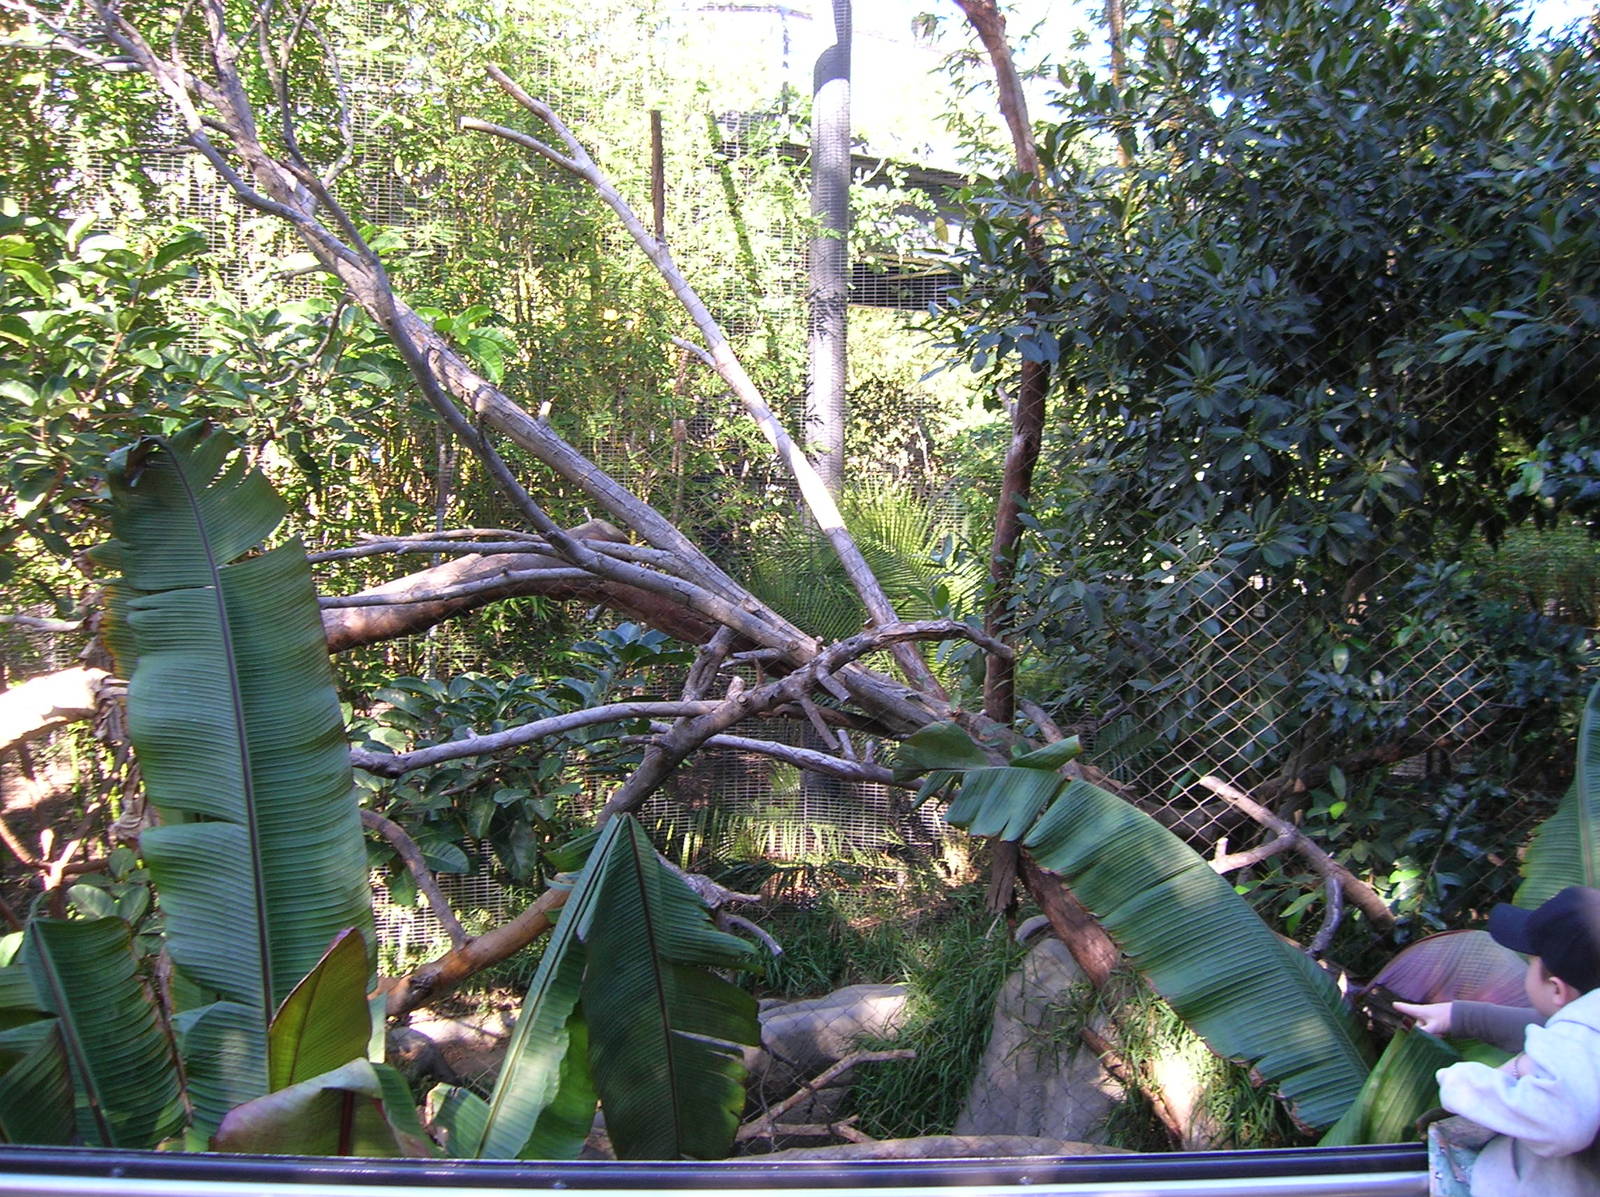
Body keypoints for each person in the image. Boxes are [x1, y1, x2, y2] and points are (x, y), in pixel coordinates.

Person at [1393, 886, 1600, 1196]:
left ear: (1557, 989)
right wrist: (1458, 1016)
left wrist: (1465, 1083)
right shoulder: (1587, 1026)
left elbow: (1563, 1125)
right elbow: (1558, 1032)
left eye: (1531, 962)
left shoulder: (1578, 1033)